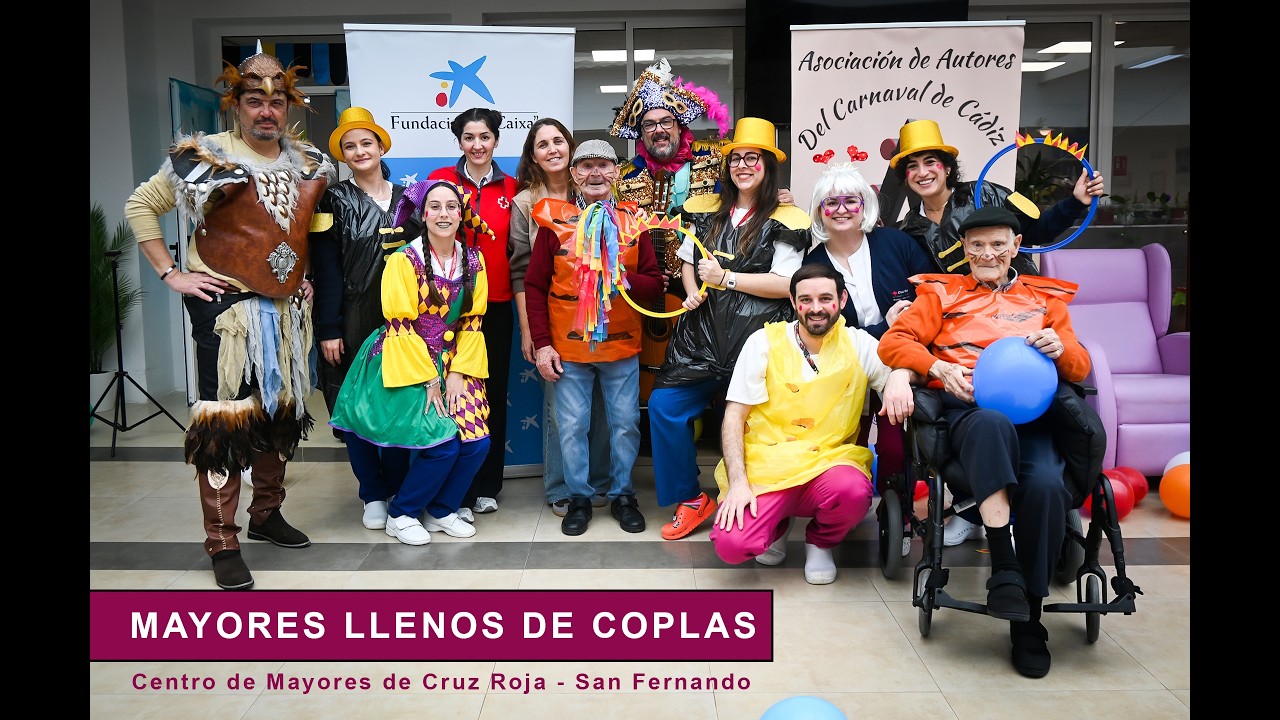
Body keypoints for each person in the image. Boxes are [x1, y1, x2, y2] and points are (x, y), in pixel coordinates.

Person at [124, 48, 334, 590]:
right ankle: (222, 539)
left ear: (289, 106)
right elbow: (140, 206)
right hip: (227, 313)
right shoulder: (206, 156)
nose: (267, 111)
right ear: (236, 104)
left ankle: (266, 514)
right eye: (254, 101)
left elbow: (300, 228)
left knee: (278, 413)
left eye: (277, 101)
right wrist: (172, 274)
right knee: (224, 421)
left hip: (287, 315)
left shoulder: (308, 161)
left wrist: (303, 274)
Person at [878, 206, 1092, 678]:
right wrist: (936, 365)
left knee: (1046, 486)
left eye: (998, 244)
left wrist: (1061, 350)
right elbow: (894, 342)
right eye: (977, 245)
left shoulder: (1045, 299)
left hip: (1034, 420)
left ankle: (1028, 619)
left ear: (1016, 246)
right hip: (968, 414)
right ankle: (1004, 565)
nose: (987, 254)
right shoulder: (941, 293)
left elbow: (1080, 366)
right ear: (965, 250)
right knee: (991, 422)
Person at [890, 118, 1105, 545]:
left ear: (947, 167)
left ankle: (1041, 505)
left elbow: (1036, 228)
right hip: (965, 325)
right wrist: (903, 311)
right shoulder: (909, 229)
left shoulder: (987, 193)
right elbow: (914, 287)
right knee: (970, 417)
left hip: (1021, 319)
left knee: (1044, 421)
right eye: (912, 166)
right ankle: (975, 507)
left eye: (931, 162)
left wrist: (1076, 202)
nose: (922, 172)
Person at [647, 117, 810, 541]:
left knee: (751, 424)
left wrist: (727, 279)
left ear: (768, 166)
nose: (743, 165)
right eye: (736, 158)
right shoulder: (704, 209)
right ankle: (690, 498)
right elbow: (689, 260)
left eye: (753, 158)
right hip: (699, 338)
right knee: (664, 406)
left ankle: (755, 500)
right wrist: (691, 292)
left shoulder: (788, 218)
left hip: (757, 341)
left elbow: (786, 284)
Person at [711, 264, 915, 584]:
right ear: (794, 302)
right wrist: (738, 483)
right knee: (732, 546)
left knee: (853, 491)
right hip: (768, 466)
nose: (816, 308)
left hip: (829, 465)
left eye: (825, 298)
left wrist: (900, 376)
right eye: (806, 299)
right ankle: (776, 525)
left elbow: (904, 366)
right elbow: (733, 416)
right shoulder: (763, 342)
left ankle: (820, 543)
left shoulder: (859, 343)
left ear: (842, 300)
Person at [329, 180, 494, 546]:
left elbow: (472, 322)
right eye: (435, 206)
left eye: (451, 206)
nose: (443, 214)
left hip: (455, 361)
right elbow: (400, 325)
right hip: (405, 359)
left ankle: (440, 510)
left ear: (461, 213)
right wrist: (430, 380)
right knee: (442, 445)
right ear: (423, 214)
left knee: (476, 444)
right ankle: (402, 513)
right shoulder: (404, 260)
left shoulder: (474, 261)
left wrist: (458, 373)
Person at [524, 140, 665, 536]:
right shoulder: (553, 222)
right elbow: (534, 286)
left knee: (625, 424)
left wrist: (621, 276)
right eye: (585, 166)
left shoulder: (635, 222)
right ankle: (579, 498)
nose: (595, 174)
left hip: (622, 347)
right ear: (573, 175)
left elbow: (654, 285)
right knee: (571, 426)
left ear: (616, 172)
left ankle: (622, 495)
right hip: (568, 348)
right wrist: (542, 343)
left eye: (604, 165)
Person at [802, 163, 933, 554]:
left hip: (899, 361)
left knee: (894, 444)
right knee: (846, 439)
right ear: (820, 211)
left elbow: (932, 294)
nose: (841, 210)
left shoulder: (896, 243)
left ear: (865, 206)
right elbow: (817, 324)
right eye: (831, 203)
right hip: (844, 364)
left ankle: (897, 515)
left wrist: (907, 314)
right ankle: (844, 506)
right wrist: (878, 328)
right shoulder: (813, 262)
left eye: (850, 201)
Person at [311, 107, 420, 531]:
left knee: (396, 403)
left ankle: (397, 488)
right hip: (353, 318)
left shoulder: (410, 200)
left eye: (366, 143)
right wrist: (329, 328)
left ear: (380, 147)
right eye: (350, 146)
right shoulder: (332, 200)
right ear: (342, 154)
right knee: (356, 408)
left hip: (403, 321)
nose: (359, 151)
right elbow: (325, 268)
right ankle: (372, 493)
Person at [507, 119, 612, 516]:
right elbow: (522, 272)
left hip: (601, 320)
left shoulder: (589, 187)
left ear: (570, 148)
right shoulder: (525, 203)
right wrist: (530, 331)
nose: (552, 149)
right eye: (542, 144)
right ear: (533, 156)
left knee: (600, 406)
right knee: (560, 409)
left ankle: (596, 483)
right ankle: (560, 487)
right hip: (551, 320)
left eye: (558, 141)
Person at [428, 108, 519, 519]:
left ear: (496, 140)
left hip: (495, 306)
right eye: (469, 137)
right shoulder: (441, 181)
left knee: (492, 395)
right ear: (459, 141)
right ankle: (456, 491)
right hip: (445, 308)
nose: (477, 145)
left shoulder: (513, 188)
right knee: (451, 394)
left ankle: (487, 486)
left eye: (485, 137)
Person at [609, 57, 732, 278]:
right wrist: (644, 274)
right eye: (649, 124)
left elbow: (747, 196)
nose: (659, 130)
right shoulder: (623, 180)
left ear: (679, 126)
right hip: (660, 290)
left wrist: (777, 196)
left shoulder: (718, 157)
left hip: (713, 280)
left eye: (666, 121)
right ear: (641, 133)